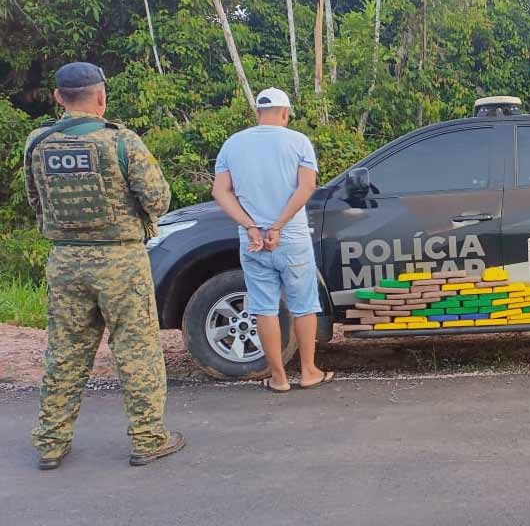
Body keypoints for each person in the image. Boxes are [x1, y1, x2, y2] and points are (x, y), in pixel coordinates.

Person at [26, 62, 186, 470]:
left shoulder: (37, 144)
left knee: (65, 352)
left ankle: (50, 443)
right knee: (137, 351)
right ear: (101, 97)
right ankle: (148, 438)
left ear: (58, 97)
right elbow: (158, 200)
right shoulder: (121, 142)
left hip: (65, 259)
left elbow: (36, 201)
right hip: (121, 259)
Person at [212, 87, 334, 393]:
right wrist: (278, 225)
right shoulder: (298, 142)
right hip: (290, 237)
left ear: (257, 114)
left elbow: (220, 192)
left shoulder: (233, 144)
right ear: (285, 113)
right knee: (304, 304)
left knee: (264, 308)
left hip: (252, 240)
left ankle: (278, 377)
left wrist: (252, 226)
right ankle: (308, 371)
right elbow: (306, 188)